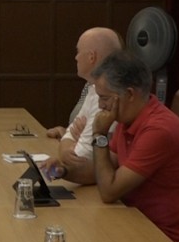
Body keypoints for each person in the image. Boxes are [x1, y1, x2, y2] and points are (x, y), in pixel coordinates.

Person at [89, 50, 179, 242]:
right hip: (142, 223)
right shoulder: (128, 118)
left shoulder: (158, 130)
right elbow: (108, 166)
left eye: (104, 98)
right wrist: (64, 170)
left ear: (129, 94)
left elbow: (109, 191)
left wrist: (99, 135)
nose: (101, 106)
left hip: (172, 241)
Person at [41, 27, 122, 184]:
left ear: (91, 57)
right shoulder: (92, 87)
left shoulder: (107, 94)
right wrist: (68, 147)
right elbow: (70, 134)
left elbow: (81, 157)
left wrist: (70, 147)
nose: (76, 57)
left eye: (78, 52)